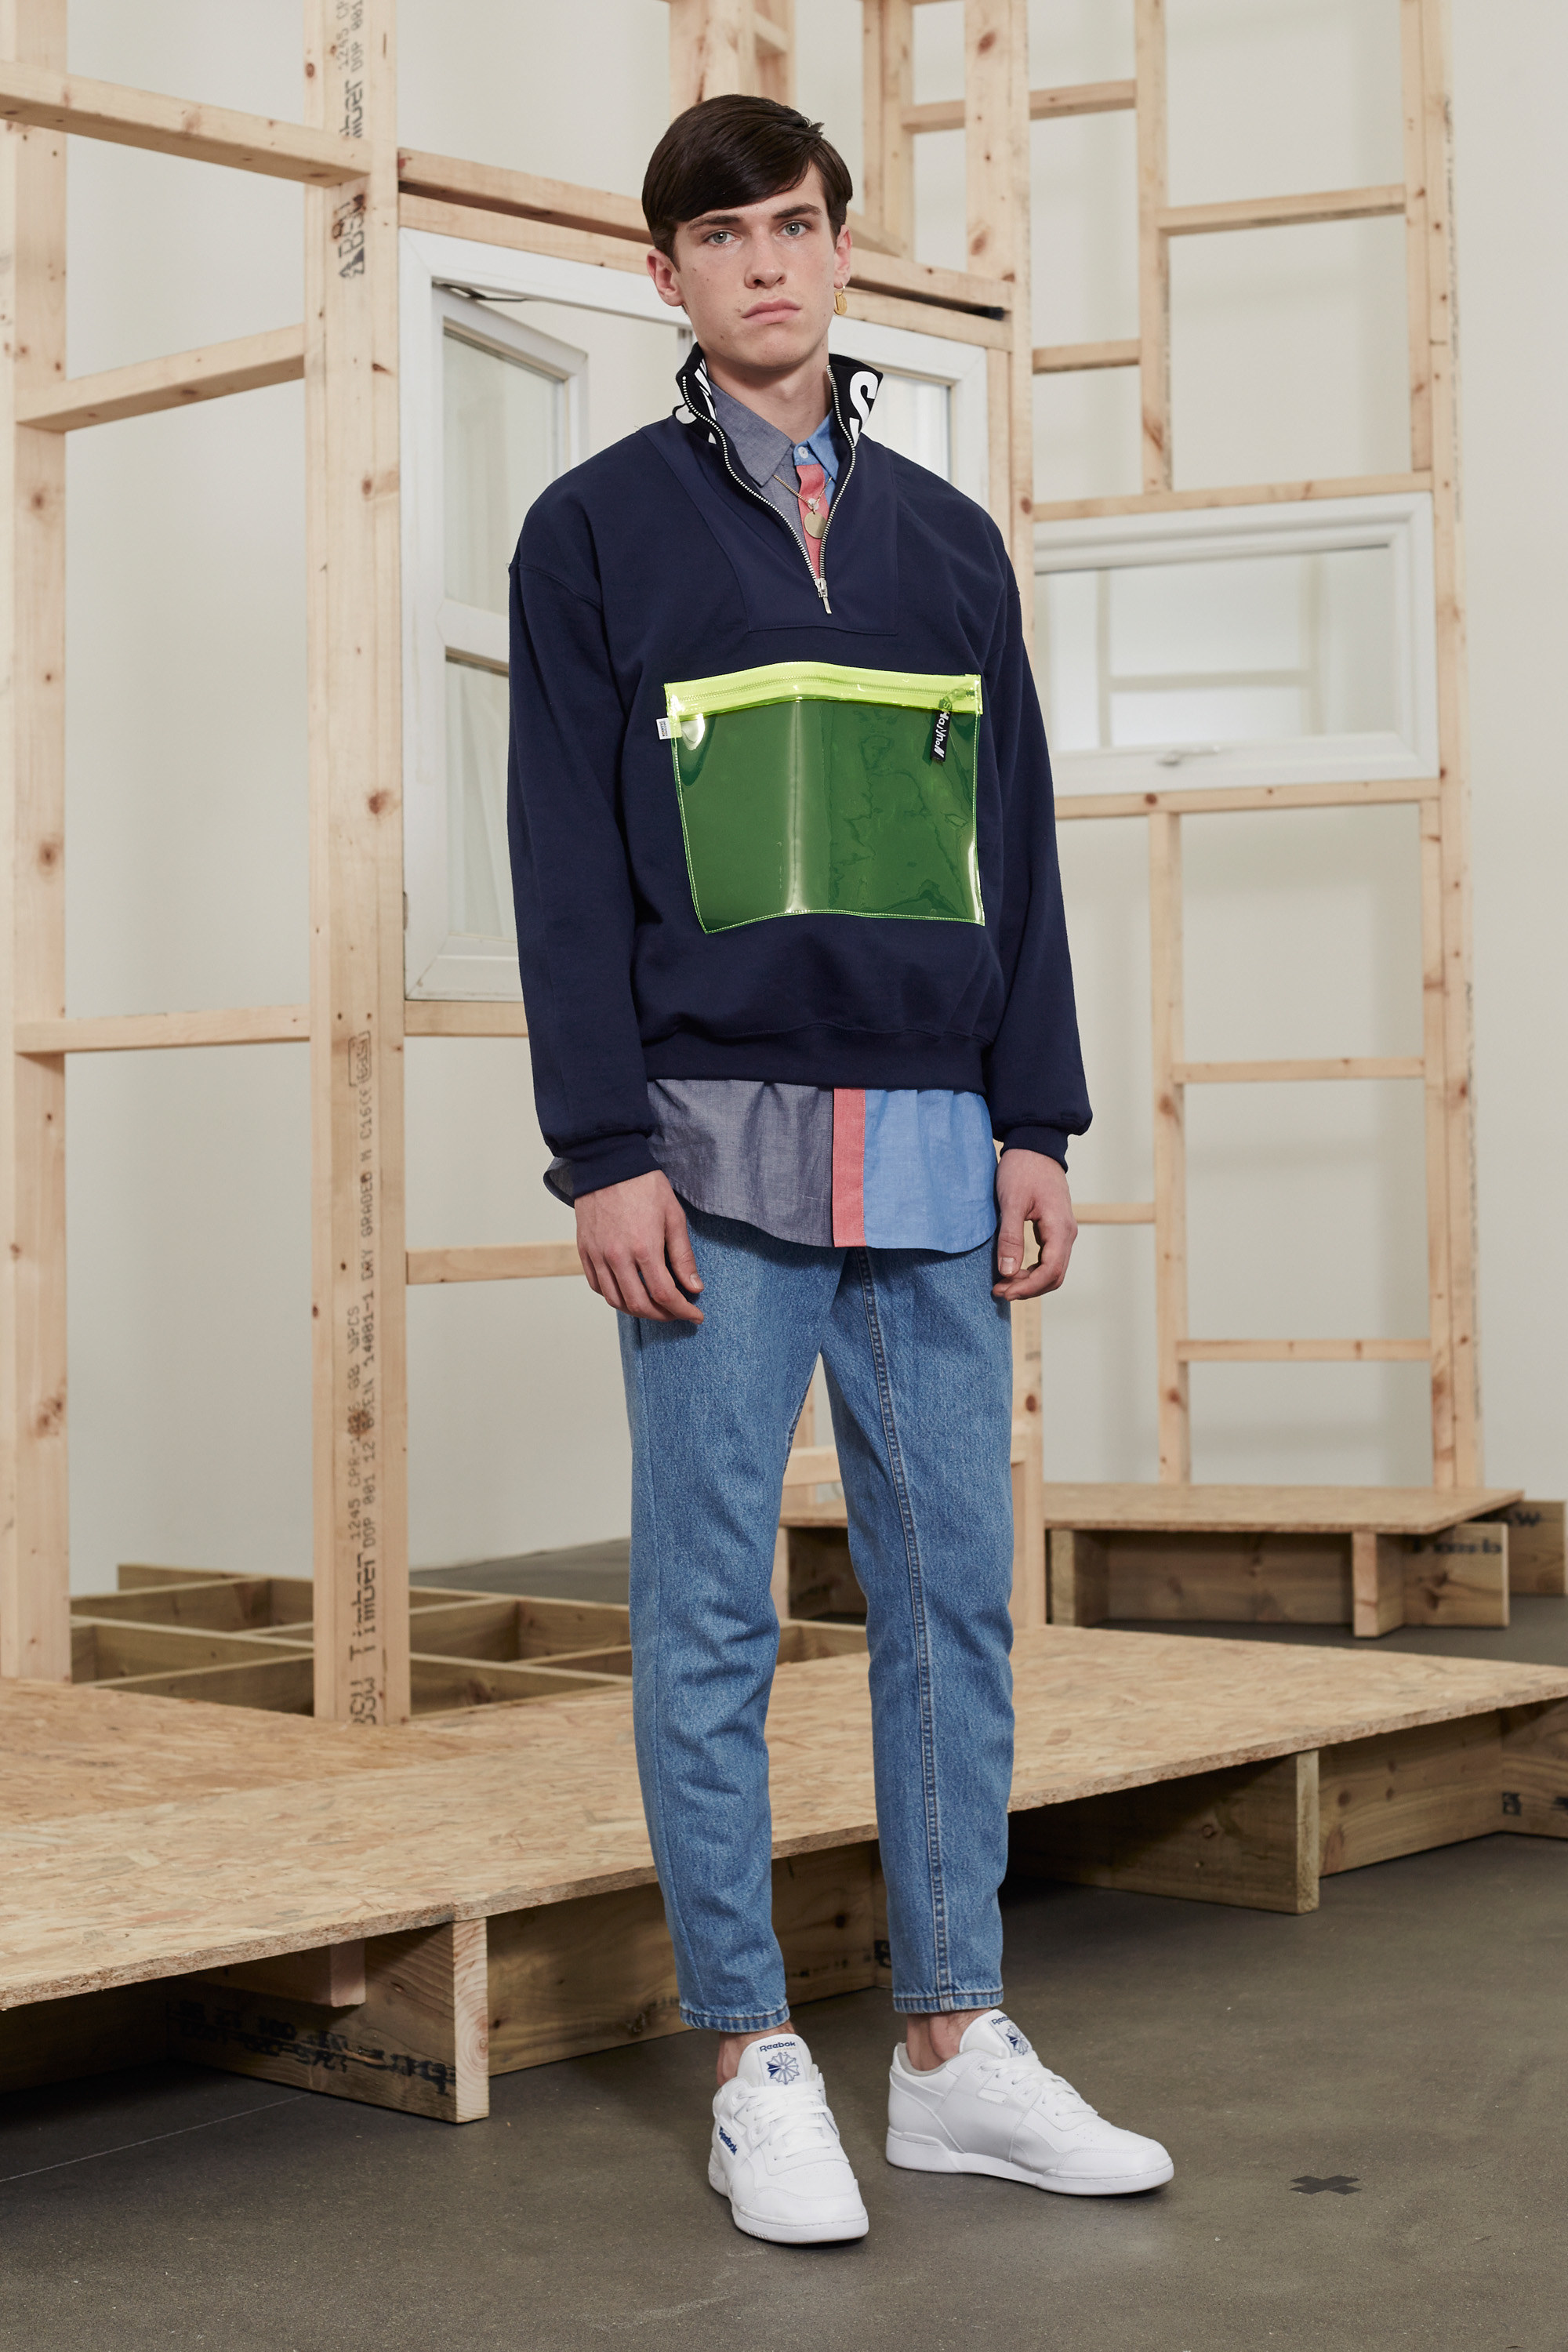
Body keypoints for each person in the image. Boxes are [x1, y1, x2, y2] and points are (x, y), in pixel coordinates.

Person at [507, 92, 1173, 2246]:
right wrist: (601, 1149)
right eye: (722, 237)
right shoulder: (590, 534)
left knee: (952, 1606)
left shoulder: (952, 543)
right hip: (703, 1158)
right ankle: (751, 2056)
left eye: (793, 225)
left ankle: (956, 2046)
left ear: (842, 247)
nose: (766, 263)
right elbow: (559, 862)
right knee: (709, 1615)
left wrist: (1041, 1118)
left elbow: (1017, 854)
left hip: (938, 1145)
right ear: (668, 277)